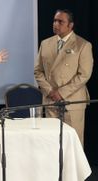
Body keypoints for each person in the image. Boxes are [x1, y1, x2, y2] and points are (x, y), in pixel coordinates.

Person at [34, 9, 93, 146]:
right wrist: (50, 91)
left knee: (74, 143)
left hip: (72, 101)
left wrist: (61, 92)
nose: (56, 24)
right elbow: (38, 71)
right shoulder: (45, 43)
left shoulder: (82, 45)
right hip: (50, 100)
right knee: (53, 142)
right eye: (55, 20)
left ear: (70, 25)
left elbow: (84, 74)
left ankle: (73, 169)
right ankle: (54, 168)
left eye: (61, 21)